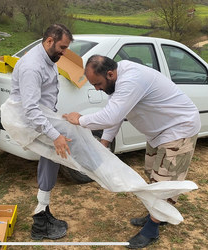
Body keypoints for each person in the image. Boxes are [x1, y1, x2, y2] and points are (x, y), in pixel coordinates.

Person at [63, 55, 201, 248]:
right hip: (159, 132)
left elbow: (111, 116)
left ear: (110, 73)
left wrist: (80, 119)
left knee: (165, 180)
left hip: (179, 129)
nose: (96, 88)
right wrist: (104, 143)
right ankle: (157, 213)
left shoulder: (131, 80)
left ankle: (152, 229)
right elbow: (117, 114)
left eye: (98, 83)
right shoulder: (117, 81)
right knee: (152, 173)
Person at [9, 24, 73, 240]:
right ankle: (39, 224)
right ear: (49, 41)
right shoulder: (32, 67)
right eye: (62, 47)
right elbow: (31, 110)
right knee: (53, 154)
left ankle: (43, 212)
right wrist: (54, 135)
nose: (65, 53)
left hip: (42, 118)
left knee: (51, 158)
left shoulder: (48, 58)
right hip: (30, 121)